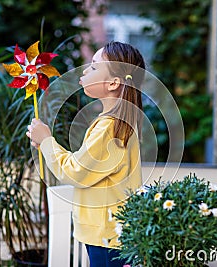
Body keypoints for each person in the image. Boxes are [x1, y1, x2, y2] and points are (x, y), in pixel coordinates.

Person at [26, 41, 145, 267]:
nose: (84, 70)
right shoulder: (118, 124)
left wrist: (46, 141)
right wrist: (45, 144)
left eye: (93, 66)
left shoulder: (109, 128)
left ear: (113, 82)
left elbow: (76, 172)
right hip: (111, 233)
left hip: (107, 236)